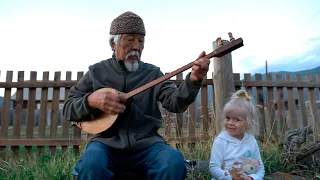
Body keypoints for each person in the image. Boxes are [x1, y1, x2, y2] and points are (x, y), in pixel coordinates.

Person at [62, 11, 210, 180]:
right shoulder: (97, 72)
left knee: (173, 161)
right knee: (91, 163)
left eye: (141, 41)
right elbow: (68, 109)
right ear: (113, 43)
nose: (136, 47)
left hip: (148, 145)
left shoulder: (153, 73)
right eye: (130, 40)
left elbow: (175, 103)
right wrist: (90, 101)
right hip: (105, 144)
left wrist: (194, 80)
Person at [209, 90, 265, 180]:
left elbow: (260, 167)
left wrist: (252, 178)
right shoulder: (220, 140)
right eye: (228, 118)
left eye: (237, 120)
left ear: (249, 123)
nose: (230, 123)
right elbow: (214, 167)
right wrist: (231, 177)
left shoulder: (251, 141)